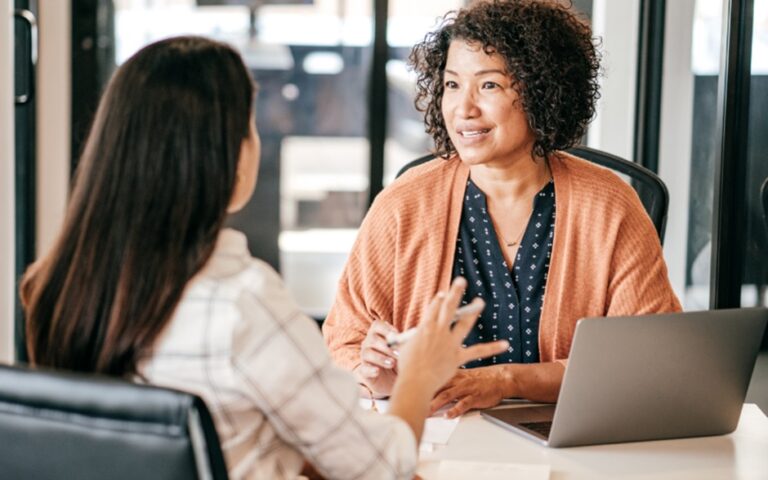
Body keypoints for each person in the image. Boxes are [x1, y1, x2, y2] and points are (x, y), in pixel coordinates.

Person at [20, 36, 507, 480]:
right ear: (224, 156)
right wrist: (419, 376)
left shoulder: (57, 286)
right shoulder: (242, 303)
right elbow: (382, 468)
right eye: (250, 127)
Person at [323, 0, 681, 418]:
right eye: (453, 84)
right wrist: (377, 377)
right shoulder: (402, 205)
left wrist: (509, 380)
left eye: (488, 86)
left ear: (542, 90)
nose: (463, 108)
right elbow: (344, 344)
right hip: (436, 439)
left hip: (566, 440)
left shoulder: (609, 205)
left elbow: (646, 359)